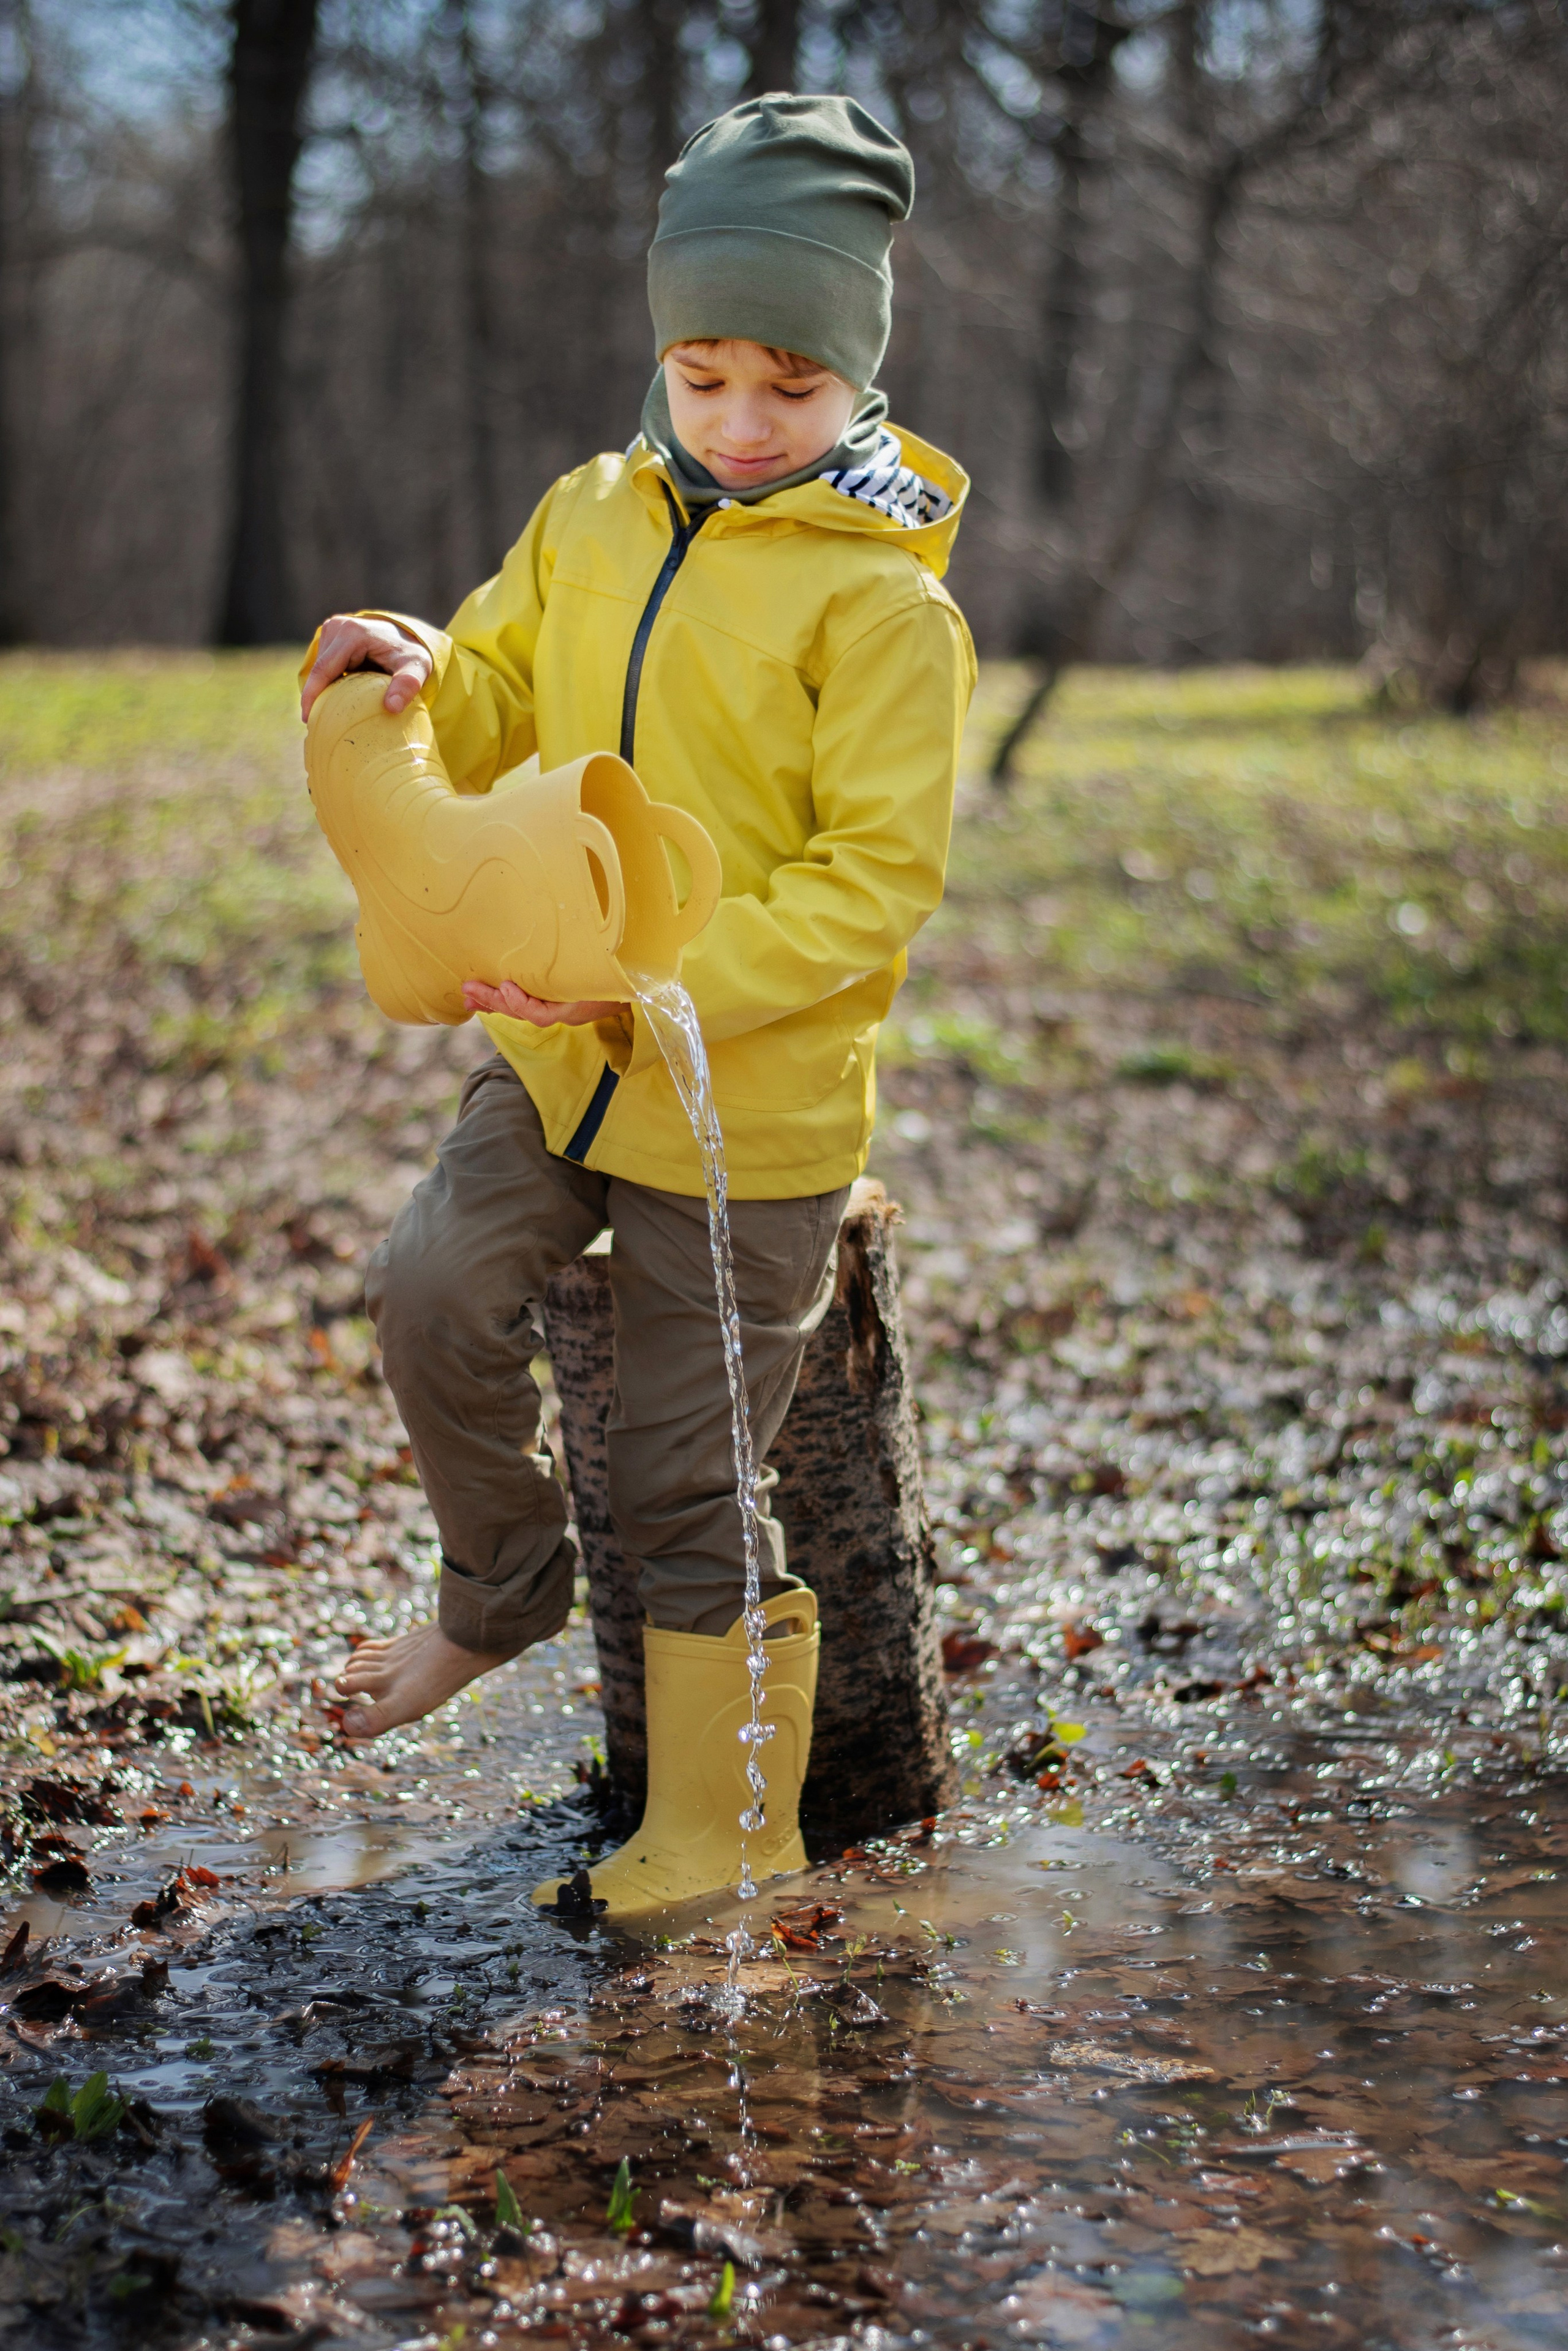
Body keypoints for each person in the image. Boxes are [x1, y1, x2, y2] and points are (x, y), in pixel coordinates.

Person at [298, 91, 974, 1912]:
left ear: (859, 377)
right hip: (553, 1044)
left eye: (791, 388)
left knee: (684, 1474)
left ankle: (723, 1827)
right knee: (431, 1286)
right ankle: (499, 1597)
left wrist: (659, 975)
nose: (741, 425)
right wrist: (422, 671)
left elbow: (874, 882)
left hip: (748, 1101)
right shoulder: (588, 514)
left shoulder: (883, 609)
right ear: (662, 354)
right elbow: (499, 691)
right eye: (704, 376)